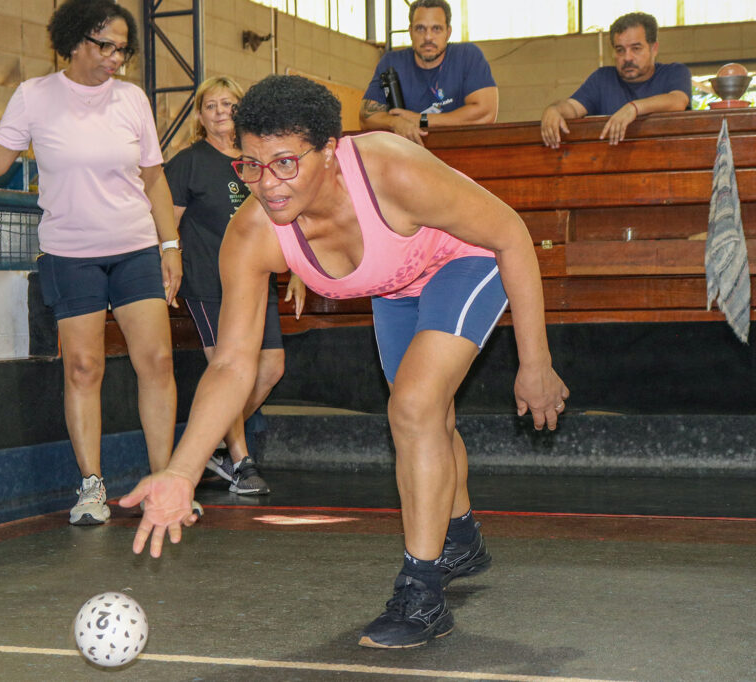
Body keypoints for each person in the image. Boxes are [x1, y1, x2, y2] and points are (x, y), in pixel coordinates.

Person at [119, 74, 569, 648]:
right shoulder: (253, 232)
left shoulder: (390, 170)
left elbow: (510, 232)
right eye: (250, 166)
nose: (268, 184)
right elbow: (233, 364)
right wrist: (181, 471)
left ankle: (423, 591)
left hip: (467, 262)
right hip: (399, 286)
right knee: (429, 419)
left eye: (285, 163)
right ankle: (459, 537)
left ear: (329, 151)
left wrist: (535, 363)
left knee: (412, 406)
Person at [0, 0, 198, 526]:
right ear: (76, 40)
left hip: (134, 249)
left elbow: (153, 178)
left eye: (123, 49)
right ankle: (91, 487)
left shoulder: (131, 100)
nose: (116, 59)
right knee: (83, 368)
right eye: (107, 46)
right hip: (71, 253)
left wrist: (170, 246)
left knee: (159, 364)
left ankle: (163, 481)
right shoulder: (35, 96)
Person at [164, 76, 306, 496]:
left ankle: (209, 442)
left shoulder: (258, 159)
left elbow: (289, 215)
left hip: (257, 279)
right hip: (208, 279)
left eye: (229, 103)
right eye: (211, 105)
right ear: (200, 116)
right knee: (230, 372)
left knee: (271, 366)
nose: (221, 111)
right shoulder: (188, 162)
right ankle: (242, 462)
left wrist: (299, 268)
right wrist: (167, 262)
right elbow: (166, 223)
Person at [540, 12, 691, 148]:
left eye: (636, 48)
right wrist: (555, 110)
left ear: (654, 49)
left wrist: (633, 108)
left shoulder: (674, 72)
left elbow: (678, 101)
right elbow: (572, 107)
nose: (627, 57)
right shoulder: (602, 79)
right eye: (620, 50)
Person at [359, 0, 498, 145]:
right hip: (409, 157)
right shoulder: (391, 63)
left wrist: (420, 119)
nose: (428, 37)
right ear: (410, 31)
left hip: (461, 153)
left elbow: (485, 113)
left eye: (436, 28)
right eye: (420, 28)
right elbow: (366, 117)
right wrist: (395, 122)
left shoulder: (468, 56)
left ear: (448, 32)